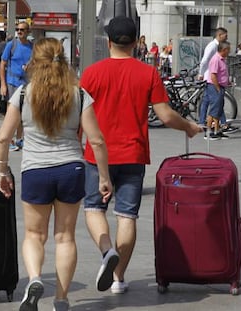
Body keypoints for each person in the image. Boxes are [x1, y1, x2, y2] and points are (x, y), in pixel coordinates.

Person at [80, 16, 202, 295]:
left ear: (108, 42)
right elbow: (165, 115)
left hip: (96, 155)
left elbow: (79, 115)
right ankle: (118, 278)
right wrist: (189, 127)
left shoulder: (91, 74)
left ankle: (106, 250)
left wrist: (77, 143)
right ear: (135, 43)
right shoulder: (148, 74)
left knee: (93, 208)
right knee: (127, 216)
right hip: (133, 154)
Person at [0, 37, 112, 311]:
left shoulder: (23, 94)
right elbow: (96, 141)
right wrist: (104, 177)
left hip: (35, 170)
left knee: (34, 235)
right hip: (71, 170)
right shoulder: (79, 94)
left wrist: (2, 171)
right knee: (65, 237)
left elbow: (3, 138)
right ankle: (61, 299)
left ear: (34, 62)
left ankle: (35, 279)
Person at [198, 27, 238, 135]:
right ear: (220, 35)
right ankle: (213, 127)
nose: (227, 37)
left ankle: (213, 126)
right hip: (211, 78)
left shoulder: (219, 51)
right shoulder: (212, 47)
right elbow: (205, 60)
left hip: (213, 79)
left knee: (212, 103)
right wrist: (201, 73)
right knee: (215, 104)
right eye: (225, 35)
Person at [0, 22, 33, 151]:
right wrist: (3, 84)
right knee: (11, 113)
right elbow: (2, 64)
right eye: (18, 30)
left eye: (22, 30)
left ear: (28, 32)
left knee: (23, 113)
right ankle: (10, 139)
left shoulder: (32, 47)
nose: (19, 32)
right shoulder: (11, 45)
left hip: (26, 83)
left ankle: (19, 139)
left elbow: (36, 63)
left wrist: (31, 67)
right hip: (12, 83)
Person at [205, 41, 232, 140]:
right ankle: (208, 131)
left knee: (218, 110)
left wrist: (227, 82)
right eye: (228, 50)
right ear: (224, 50)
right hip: (214, 86)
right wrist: (217, 88)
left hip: (220, 86)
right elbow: (213, 75)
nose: (229, 52)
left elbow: (222, 73)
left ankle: (217, 130)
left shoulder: (222, 59)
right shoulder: (216, 59)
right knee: (213, 110)